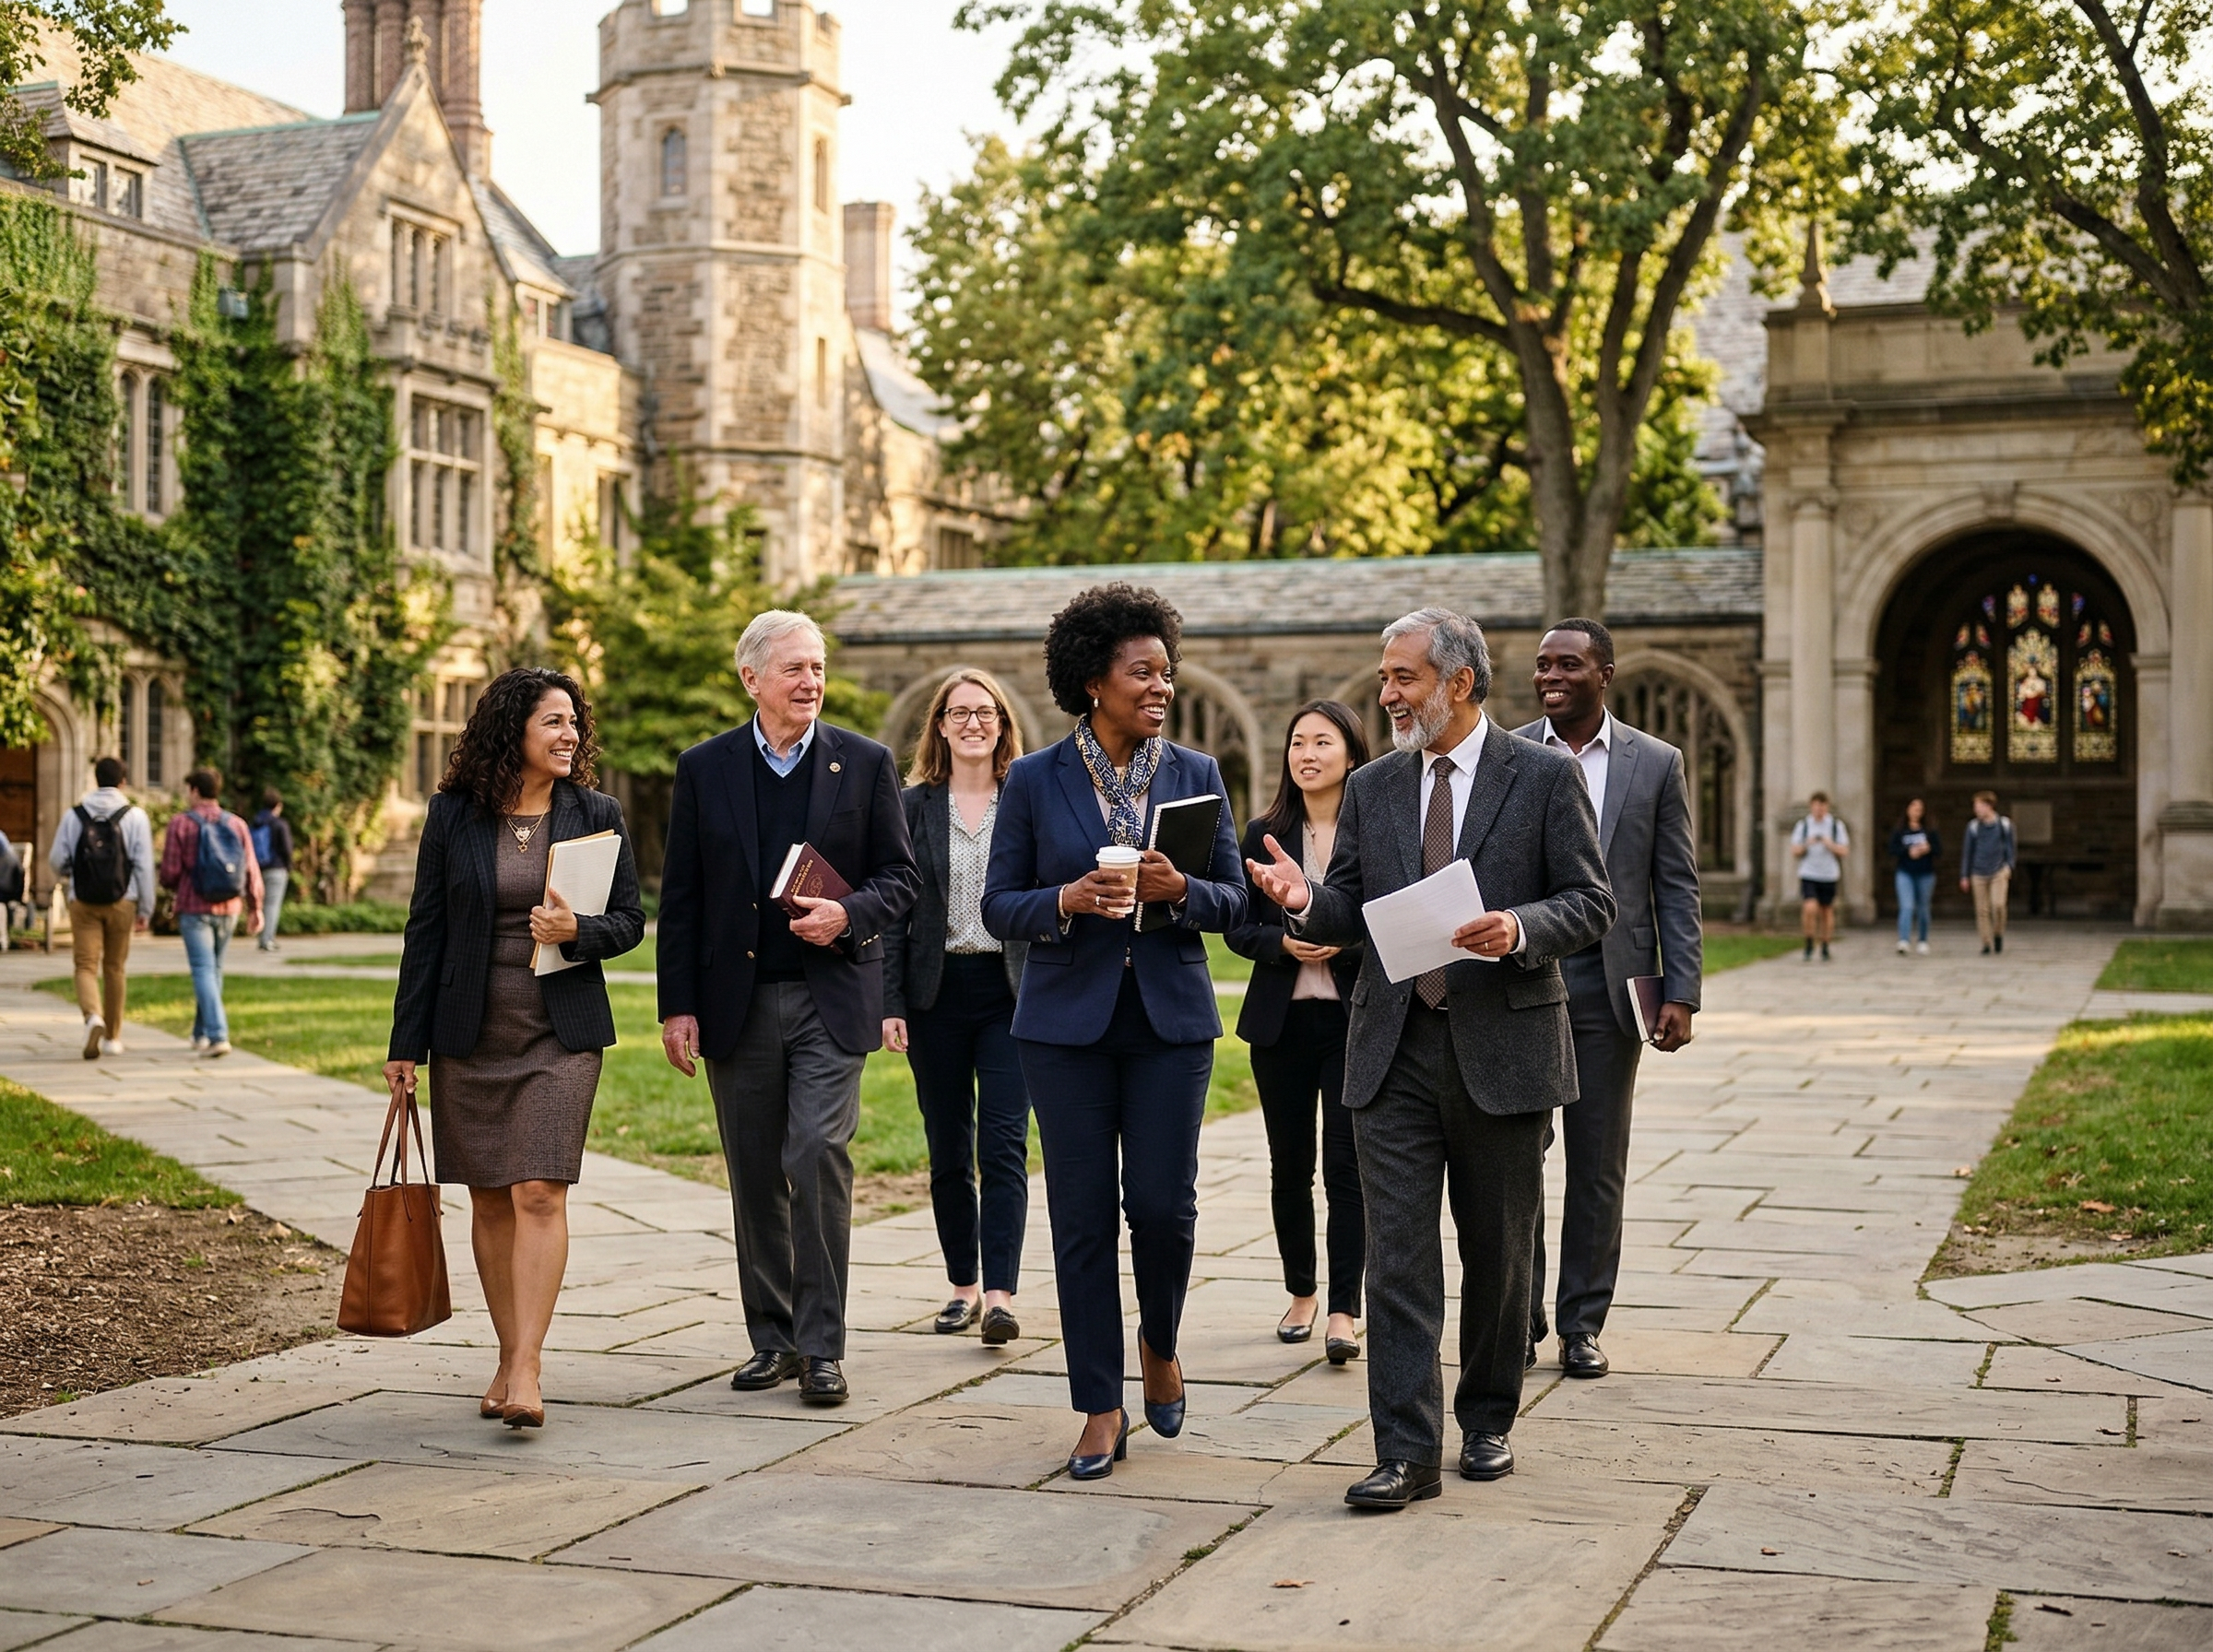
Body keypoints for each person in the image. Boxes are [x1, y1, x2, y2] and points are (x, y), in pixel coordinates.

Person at [1248, 606, 1612, 1509]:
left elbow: (1591, 900)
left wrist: (1522, 925)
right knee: (1398, 1255)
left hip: (1505, 1045)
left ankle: (1487, 1416)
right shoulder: (1374, 786)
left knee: (1498, 1253)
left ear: (1459, 681)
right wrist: (1305, 899)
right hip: (1392, 1045)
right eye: (1384, 676)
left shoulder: (1542, 777)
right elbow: (1351, 913)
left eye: (1403, 676)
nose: (1387, 692)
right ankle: (1404, 1449)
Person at [981, 583, 1247, 1481]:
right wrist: (1065, 897)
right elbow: (997, 903)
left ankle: (1160, 1341)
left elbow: (1236, 897)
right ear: (1095, 681)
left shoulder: (1197, 774)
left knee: (1165, 1210)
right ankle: (1099, 1403)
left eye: (1166, 670)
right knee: (1083, 1219)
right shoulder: (1033, 779)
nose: (1162, 686)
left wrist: (1181, 893)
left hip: (1170, 1019)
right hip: (1064, 1027)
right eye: (1144, 672)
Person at [658, 611, 919, 1407]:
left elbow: (902, 881)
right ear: (752, 680)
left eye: (818, 669)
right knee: (754, 1174)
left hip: (829, 997)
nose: (811, 682)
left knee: (814, 1153)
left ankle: (823, 1345)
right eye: (795, 670)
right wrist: (679, 1007)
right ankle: (770, 1340)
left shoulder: (866, 763)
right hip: (735, 1005)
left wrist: (849, 915)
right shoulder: (704, 768)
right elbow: (684, 898)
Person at [385, 667, 645, 1429]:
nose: (570, 736)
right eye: (553, 723)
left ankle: (527, 1367)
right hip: (469, 1028)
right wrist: (407, 1043)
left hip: (559, 1031)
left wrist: (579, 932)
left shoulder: (598, 812)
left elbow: (629, 919)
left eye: (574, 723)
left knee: (540, 1189)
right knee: (492, 1197)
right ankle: (507, 1352)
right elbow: (424, 931)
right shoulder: (453, 815)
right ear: (513, 732)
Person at [1515, 620, 1701, 1381]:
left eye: (1568, 664)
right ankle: (1518, 1316)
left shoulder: (1656, 764)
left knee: (1597, 1165)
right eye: (1541, 665)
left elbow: (1675, 883)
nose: (1551, 676)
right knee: (1517, 1159)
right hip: (1523, 981)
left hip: (1610, 987)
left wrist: (1680, 991)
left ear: (1606, 674)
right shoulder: (1510, 751)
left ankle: (1581, 1324)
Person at [883, 668, 1032, 1345]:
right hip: (933, 996)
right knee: (947, 1149)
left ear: (1003, 725)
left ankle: (999, 1295)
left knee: (1001, 1146)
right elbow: (890, 913)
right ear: (939, 726)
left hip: (1010, 996)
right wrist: (889, 1003)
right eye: (959, 712)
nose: (973, 723)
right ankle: (961, 1286)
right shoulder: (912, 806)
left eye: (986, 712)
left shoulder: (1026, 799)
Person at [1227, 700, 1369, 1364]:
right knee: (1291, 1166)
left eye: (1323, 742)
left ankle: (1345, 1308)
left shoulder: (1374, 828)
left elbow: (1389, 920)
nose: (1307, 754)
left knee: (1348, 1168)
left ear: (1350, 753)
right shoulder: (1261, 832)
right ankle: (1302, 1293)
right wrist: (1284, 947)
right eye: (1298, 743)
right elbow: (1237, 925)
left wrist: (1341, 943)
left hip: (1352, 1020)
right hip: (1280, 1024)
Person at [48, 757, 155, 1058]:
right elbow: (144, 866)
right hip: (123, 900)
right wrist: (146, 908)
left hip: (83, 901)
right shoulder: (135, 816)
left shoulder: (74, 815)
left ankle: (92, 1016)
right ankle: (112, 1038)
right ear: (123, 781)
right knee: (115, 967)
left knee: (85, 965)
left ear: (95, 779)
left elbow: (56, 859)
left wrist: (73, 874)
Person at [159, 768, 264, 1058]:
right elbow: (251, 870)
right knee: (213, 969)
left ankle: (218, 1035)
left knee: (204, 969)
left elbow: (169, 873)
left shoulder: (180, 824)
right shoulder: (237, 825)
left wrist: (172, 884)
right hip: (229, 906)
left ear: (194, 791)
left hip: (194, 907)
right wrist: (257, 908)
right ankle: (200, 1033)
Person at [1790, 792, 1849, 962]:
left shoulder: (1835, 825)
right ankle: (1809, 940)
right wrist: (1807, 844)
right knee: (1810, 907)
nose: (1819, 810)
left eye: (1822, 806)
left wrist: (1829, 844)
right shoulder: (1804, 826)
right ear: (1811, 806)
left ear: (1827, 807)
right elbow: (1794, 850)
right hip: (1809, 872)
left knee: (1826, 911)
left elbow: (1844, 850)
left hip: (1829, 874)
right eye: (1816, 806)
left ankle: (1825, 944)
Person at [1960, 791, 2015, 955]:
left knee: (1998, 905)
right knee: (1982, 910)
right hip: (1978, 872)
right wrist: (1964, 875)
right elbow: (1967, 852)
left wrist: (2009, 867)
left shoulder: (2004, 824)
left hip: (1998, 870)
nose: (1976, 809)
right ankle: (1986, 942)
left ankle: (1998, 933)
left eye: (1978, 806)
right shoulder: (1973, 827)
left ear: (1988, 806)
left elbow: (2011, 847)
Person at [1889, 798, 1941, 957]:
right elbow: (1892, 849)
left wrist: (1928, 848)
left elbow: (1939, 850)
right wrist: (1908, 851)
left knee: (1923, 908)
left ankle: (1922, 940)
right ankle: (1904, 940)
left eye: (1919, 809)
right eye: (1913, 808)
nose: (1916, 812)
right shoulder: (1900, 830)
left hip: (1925, 873)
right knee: (1907, 906)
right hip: (1905, 872)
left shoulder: (1930, 831)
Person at [253, 790, 295, 952]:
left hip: (259, 868)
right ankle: (267, 939)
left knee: (261, 904)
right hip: (276, 869)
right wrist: (289, 865)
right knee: (272, 905)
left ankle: (260, 935)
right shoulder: (279, 824)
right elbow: (287, 848)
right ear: (278, 806)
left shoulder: (257, 822)